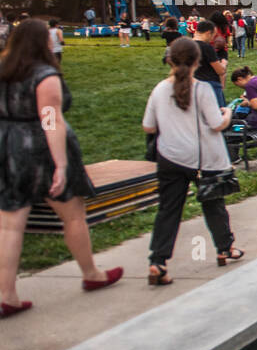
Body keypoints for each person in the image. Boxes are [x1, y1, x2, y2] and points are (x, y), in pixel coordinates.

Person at [0, 21, 123, 314]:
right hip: (41, 148)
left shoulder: (3, 70)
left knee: (9, 225)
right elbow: (50, 119)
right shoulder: (45, 75)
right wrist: (61, 165)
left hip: (6, 147)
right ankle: (91, 273)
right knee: (73, 215)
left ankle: (6, 294)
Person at [143, 37, 242, 285]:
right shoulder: (203, 90)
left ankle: (158, 261)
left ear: (169, 59)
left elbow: (148, 126)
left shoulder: (159, 90)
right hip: (202, 158)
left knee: (168, 210)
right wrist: (228, 113)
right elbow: (216, 123)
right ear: (198, 61)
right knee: (213, 204)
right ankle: (224, 248)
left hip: (169, 156)